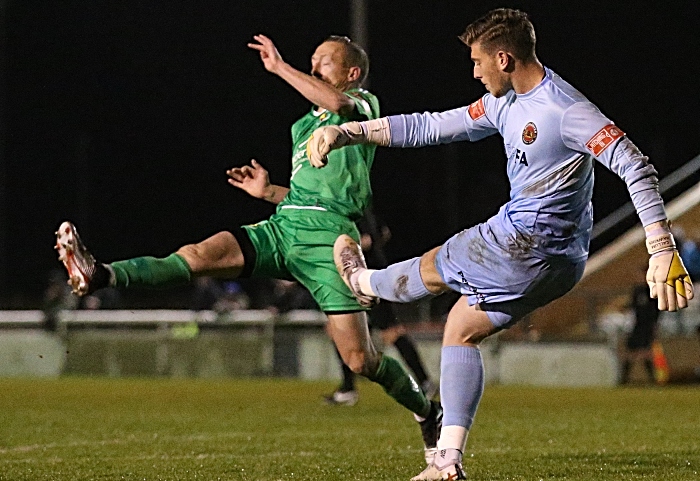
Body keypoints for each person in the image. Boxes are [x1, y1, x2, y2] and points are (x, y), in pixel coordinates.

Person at [307, 9, 694, 480]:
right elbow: (431, 126)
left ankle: (364, 281)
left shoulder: (563, 108)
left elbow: (634, 164)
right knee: (460, 329)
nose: (474, 72)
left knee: (434, 266)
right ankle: (447, 460)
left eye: (478, 62)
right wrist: (350, 131)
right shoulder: (503, 102)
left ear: (504, 58)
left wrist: (660, 245)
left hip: (523, 243)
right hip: (562, 264)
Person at [54, 34, 441, 465]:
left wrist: (280, 68)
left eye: (324, 62)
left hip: (332, 243)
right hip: (283, 227)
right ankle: (101, 274)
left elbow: (341, 108)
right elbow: (304, 194)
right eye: (311, 61)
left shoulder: (364, 103)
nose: (313, 68)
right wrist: (269, 190)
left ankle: (428, 412)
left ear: (351, 73)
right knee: (200, 255)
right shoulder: (301, 128)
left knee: (360, 359)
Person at [324, 209, 438, 406]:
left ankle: (424, 381)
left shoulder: (349, 211)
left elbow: (367, 239)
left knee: (390, 332)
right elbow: (384, 233)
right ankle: (348, 387)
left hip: (365, 279)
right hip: (363, 277)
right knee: (337, 328)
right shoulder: (360, 208)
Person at [620, 269, 661, 384]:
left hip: (647, 325)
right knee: (630, 351)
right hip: (637, 325)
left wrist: (654, 326)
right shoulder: (637, 291)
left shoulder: (652, 292)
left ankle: (653, 379)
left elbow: (657, 310)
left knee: (646, 352)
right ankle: (624, 379)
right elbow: (634, 306)